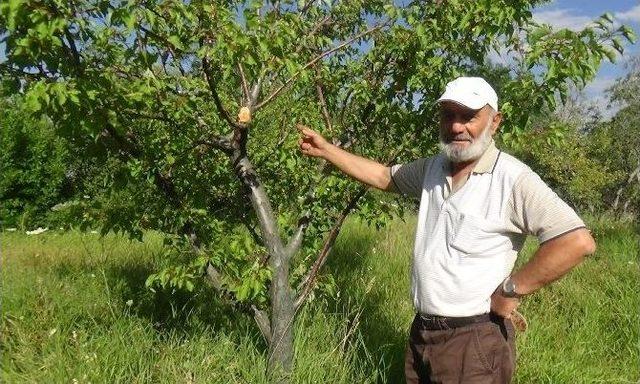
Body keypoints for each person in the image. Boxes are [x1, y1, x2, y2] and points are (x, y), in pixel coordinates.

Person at [297, 76, 596, 383]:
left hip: (475, 341)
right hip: (423, 333)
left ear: (495, 122)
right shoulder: (433, 168)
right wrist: (326, 150)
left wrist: (511, 290)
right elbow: (384, 176)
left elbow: (576, 241)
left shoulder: (512, 178)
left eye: (468, 116)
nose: (456, 127)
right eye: (448, 115)